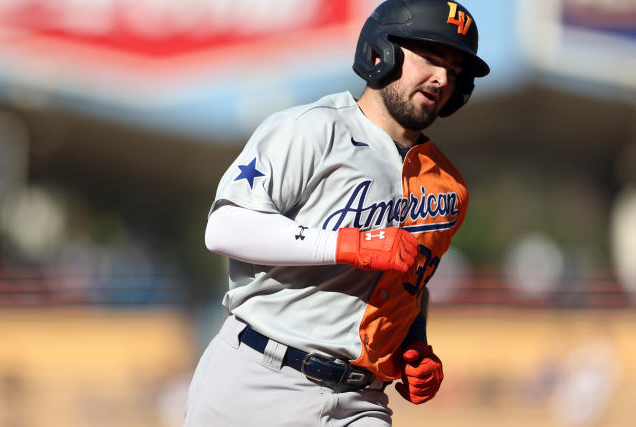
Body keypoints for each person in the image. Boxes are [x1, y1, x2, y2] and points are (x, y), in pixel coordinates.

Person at [184, 0, 489, 425]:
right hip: (258, 377)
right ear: (382, 51)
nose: (441, 78)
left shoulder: (448, 186)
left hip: (361, 401)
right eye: (432, 58)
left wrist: (413, 345)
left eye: (455, 72)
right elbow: (223, 227)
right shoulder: (311, 130)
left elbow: (409, 284)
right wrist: (345, 243)